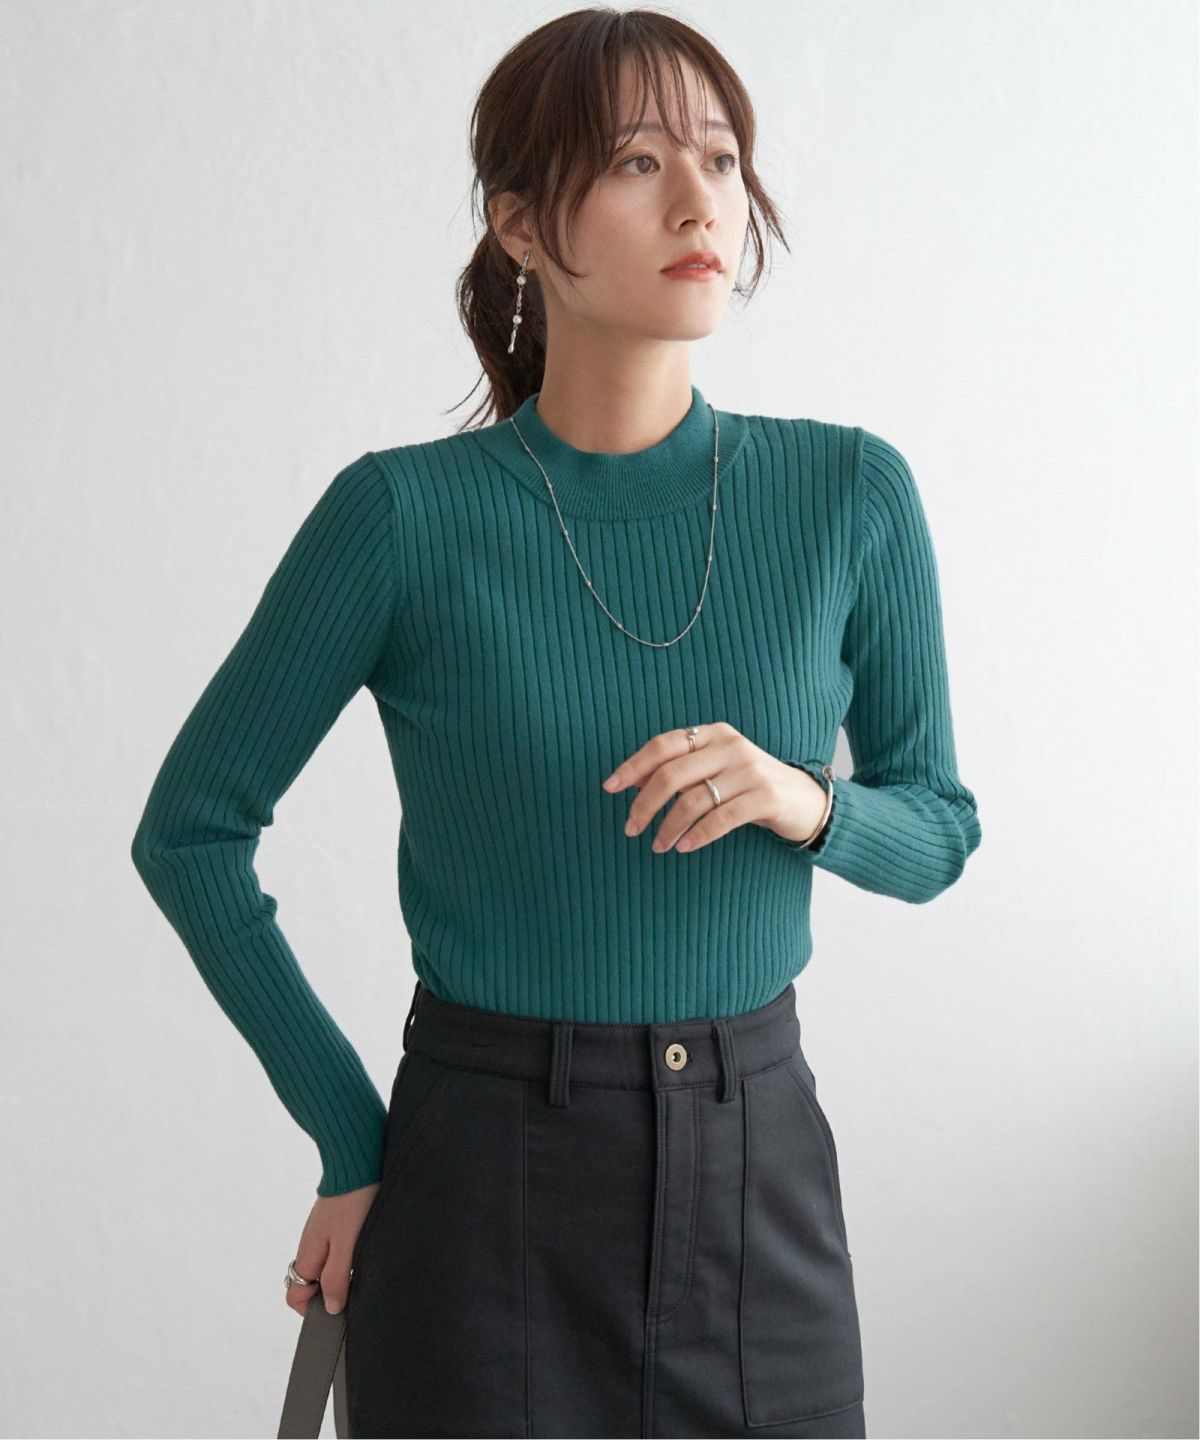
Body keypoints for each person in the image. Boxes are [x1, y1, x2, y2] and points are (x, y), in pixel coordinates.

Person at [130, 8, 982, 1437]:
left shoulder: (851, 495)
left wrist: (804, 801)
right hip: (483, 1186)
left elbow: (940, 830)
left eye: (721, 157)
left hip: (758, 1177)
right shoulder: (402, 517)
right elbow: (191, 834)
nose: (701, 201)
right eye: (640, 161)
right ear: (522, 223)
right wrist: (350, 1133)